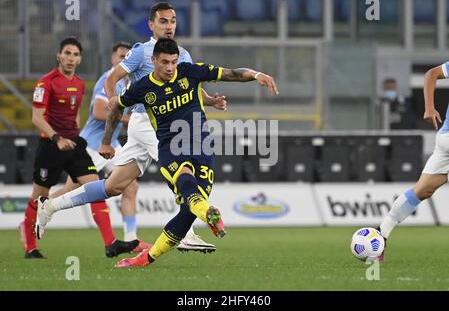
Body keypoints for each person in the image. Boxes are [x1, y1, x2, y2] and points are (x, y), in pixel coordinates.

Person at [35, 38, 279, 268]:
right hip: (169, 147)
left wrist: (257, 75)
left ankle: (53, 207)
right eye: (165, 62)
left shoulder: (189, 71)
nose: (171, 67)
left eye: (174, 62)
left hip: (202, 148)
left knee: (116, 188)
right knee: (185, 181)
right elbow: (116, 107)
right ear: (153, 60)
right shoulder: (143, 86)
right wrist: (107, 141)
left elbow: (233, 74)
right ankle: (203, 219)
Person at [103, 2, 226, 253]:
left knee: (115, 186)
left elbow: (190, 88)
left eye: (172, 21)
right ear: (151, 24)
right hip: (146, 121)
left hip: (169, 124)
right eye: (163, 21)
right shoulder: (141, 52)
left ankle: (53, 205)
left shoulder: (182, 54)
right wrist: (112, 104)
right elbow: (113, 79)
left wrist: (210, 101)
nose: (169, 26)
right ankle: (188, 234)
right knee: (180, 172)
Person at [20, 37, 139, 259]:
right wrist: (57, 138)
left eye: (75, 55)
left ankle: (110, 243)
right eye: (67, 53)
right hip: (50, 145)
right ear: (59, 56)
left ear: (80, 59)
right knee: (40, 196)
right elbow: (36, 117)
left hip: (75, 145)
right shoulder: (45, 82)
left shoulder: (80, 84)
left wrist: (72, 134)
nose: (70, 58)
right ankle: (30, 246)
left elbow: (74, 114)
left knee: (96, 189)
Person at [50, 42, 151, 252]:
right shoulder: (108, 80)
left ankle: (131, 239)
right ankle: (39, 210)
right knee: (72, 189)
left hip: (111, 143)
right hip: (92, 144)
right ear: (113, 59)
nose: (124, 60)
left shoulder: (131, 82)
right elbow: (97, 112)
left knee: (131, 186)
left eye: (128, 56)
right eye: (121, 56)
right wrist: (128, 119)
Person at [376, 62, 449, 260]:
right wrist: (430, 107)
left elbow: (431, 74)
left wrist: (430, 109)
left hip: (445, 138)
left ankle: (381, 233)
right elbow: (431, 74)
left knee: (422, 189)